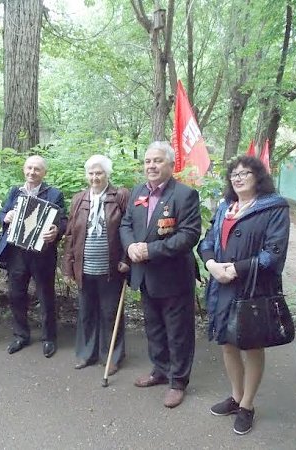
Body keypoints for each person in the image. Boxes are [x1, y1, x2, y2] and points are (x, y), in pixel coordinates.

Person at [198, 156, 289, 435]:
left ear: (258, 177)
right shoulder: (226, 206)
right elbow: (208, 242)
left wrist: (234, 269)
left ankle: (248, 405)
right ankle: (236, 397)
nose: (238, 178)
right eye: (234, 174)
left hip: (252, 288)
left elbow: (273, 255)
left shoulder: (274, 207)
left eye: (245, 173)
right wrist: (212, 264)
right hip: (221, 284)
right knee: (227, 343)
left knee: (251, 345)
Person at [119, 141, 201, 409]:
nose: (151, 166)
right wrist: (130, 245)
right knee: (153, 328)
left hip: (173, 277)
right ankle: (160, 370)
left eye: (157, 161)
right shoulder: (138, 192)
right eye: (147, 161)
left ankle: (178, 382)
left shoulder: (185, 195)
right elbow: (126, 224)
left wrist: (149, 250)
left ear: (171, 164)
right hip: (145, 276)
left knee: (178, 332)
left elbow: (189, 236)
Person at [0, 155, 67, 358]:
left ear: (44, 173)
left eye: (37, 169)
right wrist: (4, 217)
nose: (32, 172)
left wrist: (56, 231)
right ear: (24, 170)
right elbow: (2, 213)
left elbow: (63, 221)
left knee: (46, 296)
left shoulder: (54, 194)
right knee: (16, 295)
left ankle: (49, 337)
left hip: (42, 253)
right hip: (17, 252)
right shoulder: (15, 192)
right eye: (29, 168)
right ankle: (20, 335)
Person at [62, 155, 130, 375]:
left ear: (107, 174)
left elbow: (130, 229)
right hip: (85, 267)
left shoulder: (120, 196)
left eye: (99, 173)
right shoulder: (79, 199)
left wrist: (126, 260)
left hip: (112, 268)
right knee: (87, 312)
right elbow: (70, 234)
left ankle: (111, 355)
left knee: (110, 313)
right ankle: (86, 354)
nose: (94, 177)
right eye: (91, 173)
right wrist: (68, 266)